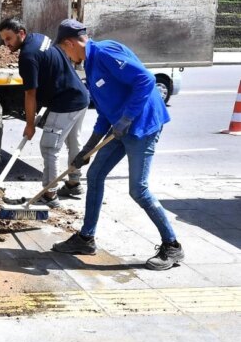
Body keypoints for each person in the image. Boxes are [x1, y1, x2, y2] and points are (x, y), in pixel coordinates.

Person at [51, 19, 184, 271]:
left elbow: (145, 80)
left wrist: (127, 118)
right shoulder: (90, 65)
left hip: (142, 126)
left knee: (138, 190)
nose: (68, 56)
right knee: (95, 173)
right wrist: (87, 149)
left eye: (65, 51)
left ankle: (173, 246)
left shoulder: (105, 53)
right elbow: (105, 112)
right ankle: (86, 238)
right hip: (120, 128)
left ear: (70, 43)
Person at [0, 18, 90, 208]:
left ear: (21, 33)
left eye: (9, 38)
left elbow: (30, 93)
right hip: (80, 96)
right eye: (4, 40)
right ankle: (73, 183)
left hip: (65, 103)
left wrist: (30, 124)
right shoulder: (40, 38)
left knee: (49, 148)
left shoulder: (27, 56)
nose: (6, 44)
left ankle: (49, 194)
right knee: (73, 141)